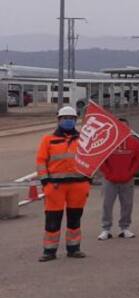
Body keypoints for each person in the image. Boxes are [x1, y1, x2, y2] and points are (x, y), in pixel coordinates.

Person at [36, 106, 91, 261]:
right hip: (55, 186)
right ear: (59, 120)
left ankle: (74, 249)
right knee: (53, 219)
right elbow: (41, 161)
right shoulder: (48, 139)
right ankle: (49, 251)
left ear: (75, 120)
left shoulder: (83, 139)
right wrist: (45, 180)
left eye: (71, 119)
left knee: (74, 219)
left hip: (78, 185)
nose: (68, 121)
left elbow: (91, 160)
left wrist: (89, 178)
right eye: (65, 119)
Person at [98, 118, 139, 240]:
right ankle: (106, 229)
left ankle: (125, 228)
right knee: (107, 204)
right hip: (109, 180)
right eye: (120, 127)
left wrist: (130, 174)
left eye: (125, 127)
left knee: (127, 204)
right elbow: (101, 160)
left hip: (127, 180)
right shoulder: (106, 142)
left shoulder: (134, 143)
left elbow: (137, 161)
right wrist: (108, 174)